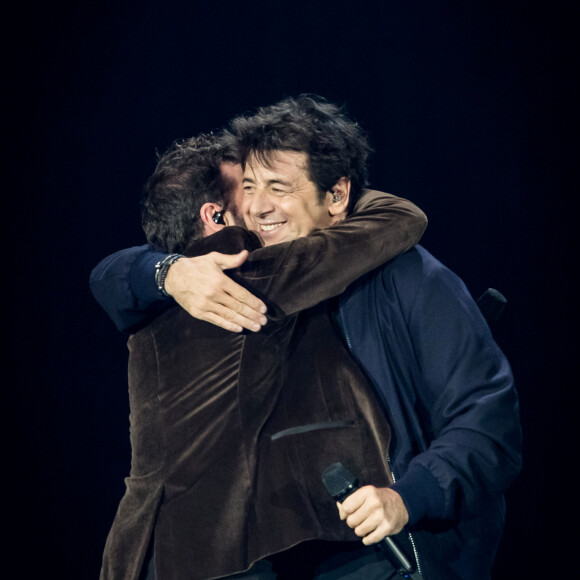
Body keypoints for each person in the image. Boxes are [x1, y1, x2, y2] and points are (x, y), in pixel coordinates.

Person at [91, 95, 522, 579]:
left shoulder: (407, 276)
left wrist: (407, 498)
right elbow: (111, 273)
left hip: (388, 554)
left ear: (337, 197)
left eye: (279, 187)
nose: (256, 207)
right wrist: (165, 272)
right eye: (249, 186)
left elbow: (488, 423)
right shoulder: (223, 277)